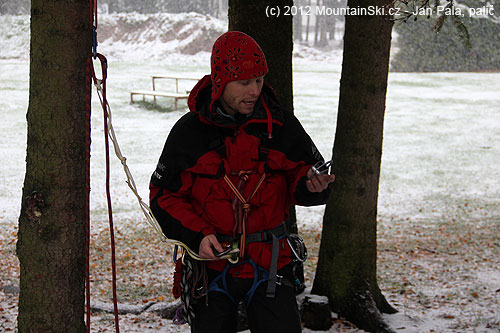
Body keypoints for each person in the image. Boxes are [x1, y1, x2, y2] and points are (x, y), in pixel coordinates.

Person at [149, 31, 335, 333]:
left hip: (270, 264)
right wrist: (197, 236)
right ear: (221, 81)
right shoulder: (189, 133)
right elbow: (164, 196)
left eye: (259, 80)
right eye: (245, 82)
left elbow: (304, 176)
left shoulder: (282, 126)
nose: (254, 91)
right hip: (210, 269)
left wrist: (313, 186)